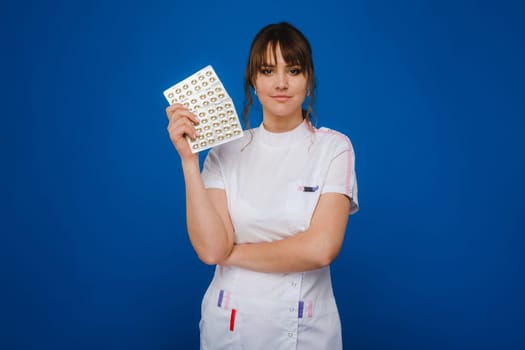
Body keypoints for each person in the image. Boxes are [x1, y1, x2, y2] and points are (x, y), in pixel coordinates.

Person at [166, 21, 358, 350]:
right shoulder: (224, 151)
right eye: (268, 71)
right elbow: (212, 249)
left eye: (294, 70)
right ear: (253, 81)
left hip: (303, 329)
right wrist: (189, 161)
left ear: (308, 80)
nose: (281, 83)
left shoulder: (334, 149)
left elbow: (320, 249)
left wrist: (234, 253)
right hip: (229, 327)